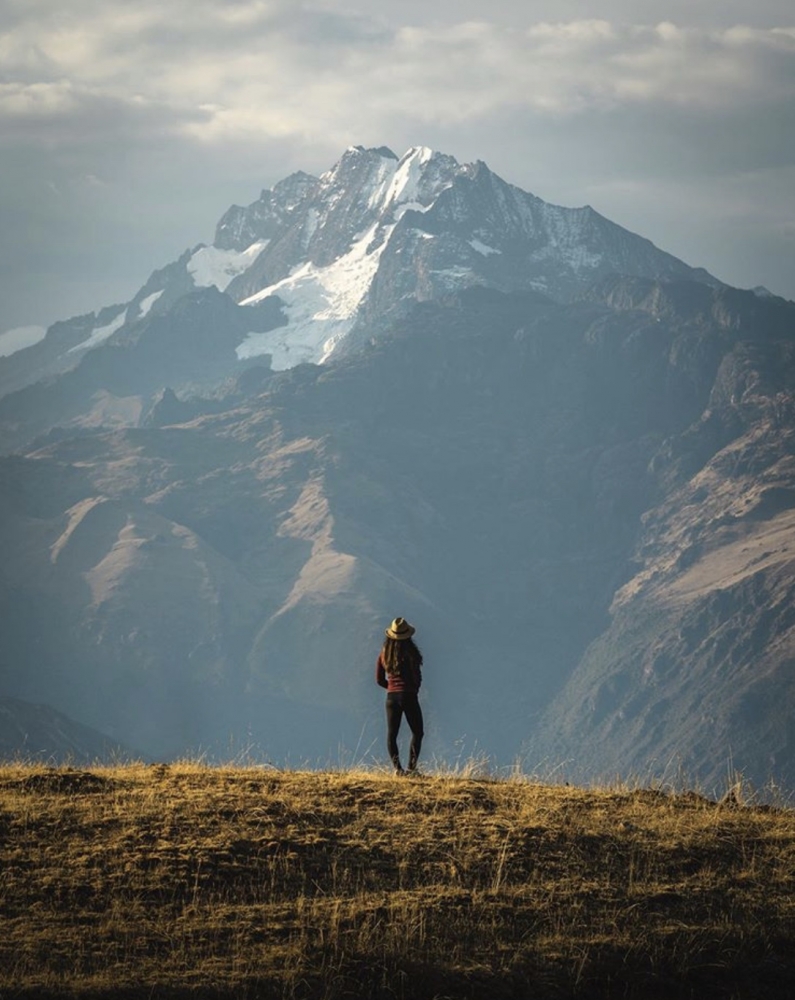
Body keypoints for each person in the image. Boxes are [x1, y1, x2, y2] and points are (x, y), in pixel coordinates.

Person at [376, 617, 424, 775]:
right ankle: (412, 768)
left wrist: (391, 687)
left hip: (391, 697)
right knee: (417, 732)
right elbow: (417, 677)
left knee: (392, 734)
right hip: (409, 695)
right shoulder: (411, 653)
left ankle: (397, 769)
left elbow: (379, 679)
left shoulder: (384, 654)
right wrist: (413, 689)